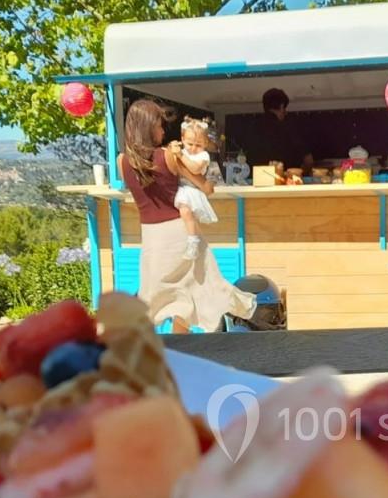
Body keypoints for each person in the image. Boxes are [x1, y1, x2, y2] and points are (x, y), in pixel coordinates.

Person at [118, 99, 255, 333]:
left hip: (151, 237)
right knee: (193, 290)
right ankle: (182, 346)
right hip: (180, 231)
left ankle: (146, 348)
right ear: (149, 127)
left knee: (154, 297)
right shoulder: (169, 156)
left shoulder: (122, 161)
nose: (163, 131)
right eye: (159, 125)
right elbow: (205, 187)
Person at [171, 117, 218, 260]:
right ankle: (188, 242)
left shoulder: (203, 155)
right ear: (182, 139)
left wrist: (180, 155)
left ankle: (193, 242)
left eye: (198, 145)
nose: (193, 148)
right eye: (189, 143)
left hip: (192, 190)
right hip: (181, 188)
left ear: (205, 144)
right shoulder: (183, 152)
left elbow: (195, 169)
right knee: (183, 216)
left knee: (185, 211)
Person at [254, 88, 313, 170]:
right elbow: (308, 160)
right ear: (281, 106)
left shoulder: (253, 128)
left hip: (258, 175)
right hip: (286, 175)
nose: (285, 112)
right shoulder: (289, 128)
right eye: (285, 108)